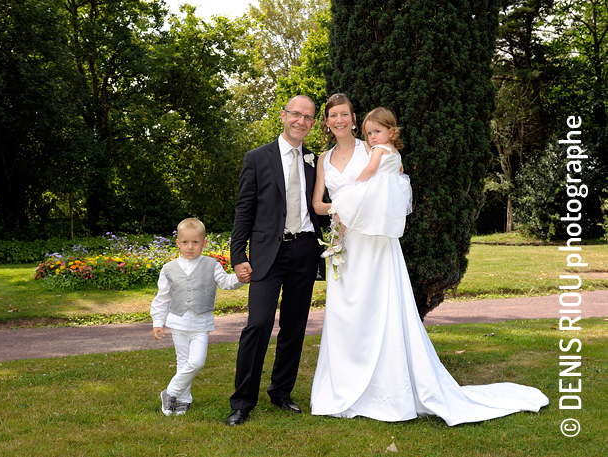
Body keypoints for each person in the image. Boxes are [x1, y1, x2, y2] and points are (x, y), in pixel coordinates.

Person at [310, 94, 549, 426]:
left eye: (344, 114)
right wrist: (338, 210)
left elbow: (392, 186)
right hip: (344, 243)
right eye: (332, 115)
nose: (338, 120)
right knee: (346, 314)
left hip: (375, 243)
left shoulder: (374, 148)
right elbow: (319, 204)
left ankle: (386, 389)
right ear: (326, 121)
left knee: (380, 308)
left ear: (354, 118)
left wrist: (356, 205)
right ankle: (343, 388)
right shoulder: (322, 158)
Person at [226, 95, 327, 426]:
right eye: (296, 114)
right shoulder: (257, 158)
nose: (302, 121)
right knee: (258, 323)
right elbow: (244, 209)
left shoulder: (316, 160)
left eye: (309, 117)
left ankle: (281, 392)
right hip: (268, 253)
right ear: (284, 116)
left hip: (306, 249)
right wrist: (238, 254)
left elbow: (324, 205)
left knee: (295, 326)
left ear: (314, 123)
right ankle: (242, 402)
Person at [151, 217, 249, 416]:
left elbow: (226, 282)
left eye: (195, 242)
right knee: (183, 361)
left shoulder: (211, 265)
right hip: (178, 323)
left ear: (204, 243)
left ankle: (170, 392)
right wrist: (157, 322)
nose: (190, 247)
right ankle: (184, 400)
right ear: (178, 243)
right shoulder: (169, 269)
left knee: (196, 362)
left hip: (201, 324)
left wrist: (240, 279)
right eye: (185, 242)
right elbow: (162, 298)